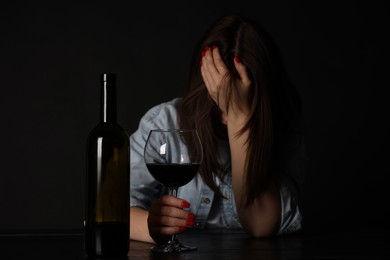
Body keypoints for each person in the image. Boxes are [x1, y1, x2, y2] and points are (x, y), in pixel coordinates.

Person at [129, 14, 307, 244]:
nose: (226, 116)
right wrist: (151, 226)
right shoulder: (164, 123)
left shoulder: (284, 131)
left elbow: (261, 224)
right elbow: (112, 209)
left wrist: (241, 120)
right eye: (219, 99)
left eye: (241, 101)